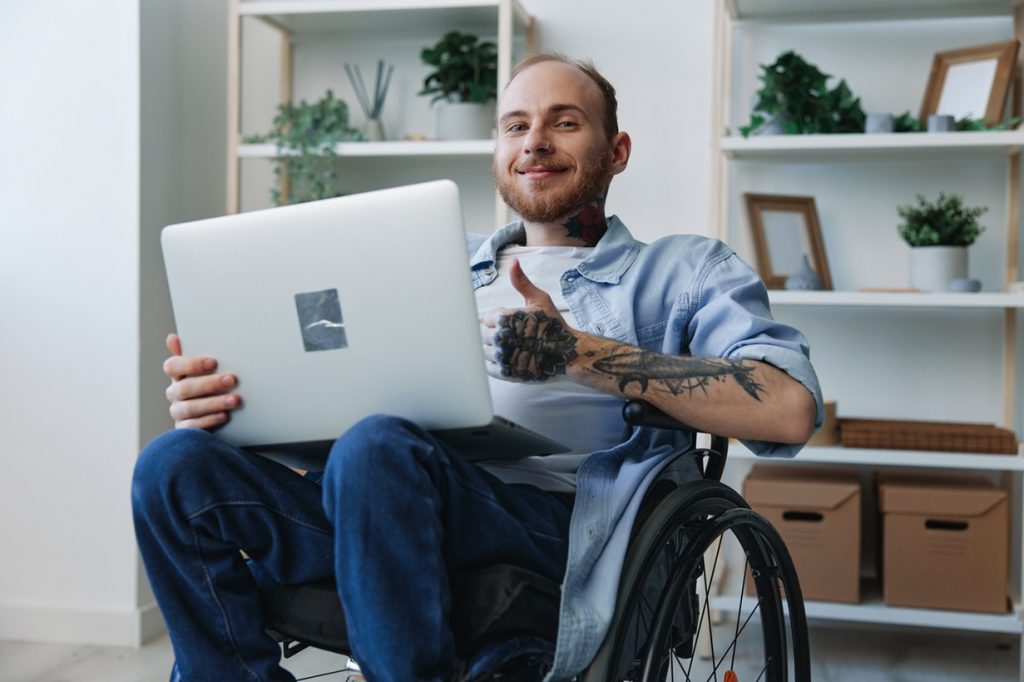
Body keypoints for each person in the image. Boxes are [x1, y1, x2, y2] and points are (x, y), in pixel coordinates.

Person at [132, 53, 822, 682]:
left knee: (378, 447)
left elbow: (787, 408)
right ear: (498, 153)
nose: (535, 141)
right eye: (516, 125)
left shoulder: (681, 269)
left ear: (617, 151)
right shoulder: (421, 257)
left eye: (565, 122)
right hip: (374, 499)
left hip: (559, 523)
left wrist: (580, 353)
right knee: (174, 467)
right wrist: (234, 401)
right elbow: (343, 394)